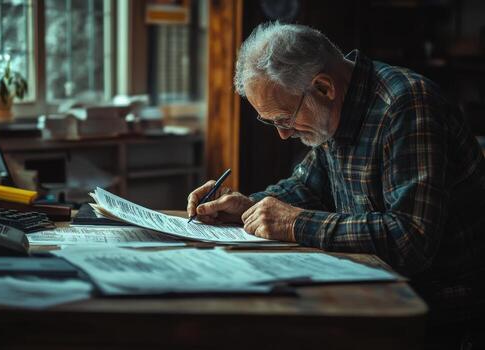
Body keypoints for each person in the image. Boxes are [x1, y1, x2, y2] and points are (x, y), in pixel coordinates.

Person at [187, 22, 485, 349]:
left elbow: (411, 239)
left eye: (284, 119)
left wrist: (296, 223)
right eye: (271, 122)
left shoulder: (407, 104)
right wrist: (247, 206)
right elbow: (306, 187)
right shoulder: (331, 109)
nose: (283, 135)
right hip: (380, 291)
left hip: (441, 311)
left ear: (324, 87)